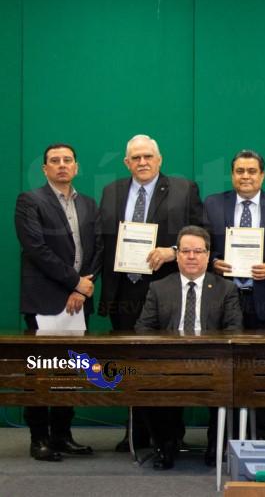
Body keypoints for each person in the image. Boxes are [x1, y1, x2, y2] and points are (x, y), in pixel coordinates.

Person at [98, 134, 203, 451]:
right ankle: (135, 433)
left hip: (166, 290)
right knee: (130, 364)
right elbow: (101, 239)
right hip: (123, 292)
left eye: (148, 157)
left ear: (159, 160)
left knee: (166, 364)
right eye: (136, 158)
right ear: (126, 162)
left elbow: (202, 232)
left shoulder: (184, 189)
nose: (142, 162)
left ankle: (170, 434)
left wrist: (174, 251)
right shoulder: (112, 190)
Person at [203, 149, 265, 440]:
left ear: (262, 175)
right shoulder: (213, 204)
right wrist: (213, 261)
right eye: (240, 171)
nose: (245, 176)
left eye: (251, 171)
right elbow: (201, 242)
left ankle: (257, 437)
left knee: (262, 373)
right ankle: (219, 441)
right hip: (223, 301)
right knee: (219, 372)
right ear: (232, 174)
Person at [14, 143, 100, 461]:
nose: (62, 165)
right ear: (45, 168)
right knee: (40, 372)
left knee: (70, 373)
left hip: (78, 301)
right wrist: (74, 281)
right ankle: (39, 438)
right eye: (54, 160)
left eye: (67, 160)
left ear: (76, 166)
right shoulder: (30, 201)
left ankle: (62, 435)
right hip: (44, 300)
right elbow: (36, 248)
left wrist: (81, 289)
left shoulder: (89, 204)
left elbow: (98, 249)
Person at [136, 226, 242, 469]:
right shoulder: (159, 288)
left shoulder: (226, 289)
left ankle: (216, 446)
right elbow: (143, 328)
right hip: (169, 361)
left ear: (208, 255)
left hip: (213, 362)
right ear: (177, 255)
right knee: (149, 382)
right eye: (185, 251)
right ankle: (165, 446)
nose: (192, 256)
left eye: (198, 251)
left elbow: (234, 329)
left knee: (233, 381)